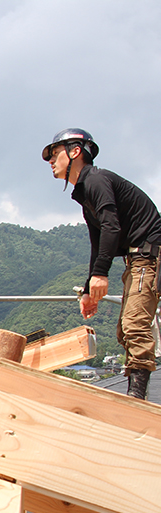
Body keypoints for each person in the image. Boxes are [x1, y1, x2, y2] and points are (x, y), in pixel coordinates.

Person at [43, 128, 161, 399]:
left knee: (134, 325)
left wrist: (101, 275)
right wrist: (89, 288)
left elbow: (111, 227)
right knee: (125, 329)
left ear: (75, 152)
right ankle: (135, 394)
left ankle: (136, 400)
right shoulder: (85, 193)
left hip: (149, 256)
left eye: (55, 152)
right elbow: (98, 243)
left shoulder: (96, 180)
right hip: (139, 259)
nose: (50, 160)